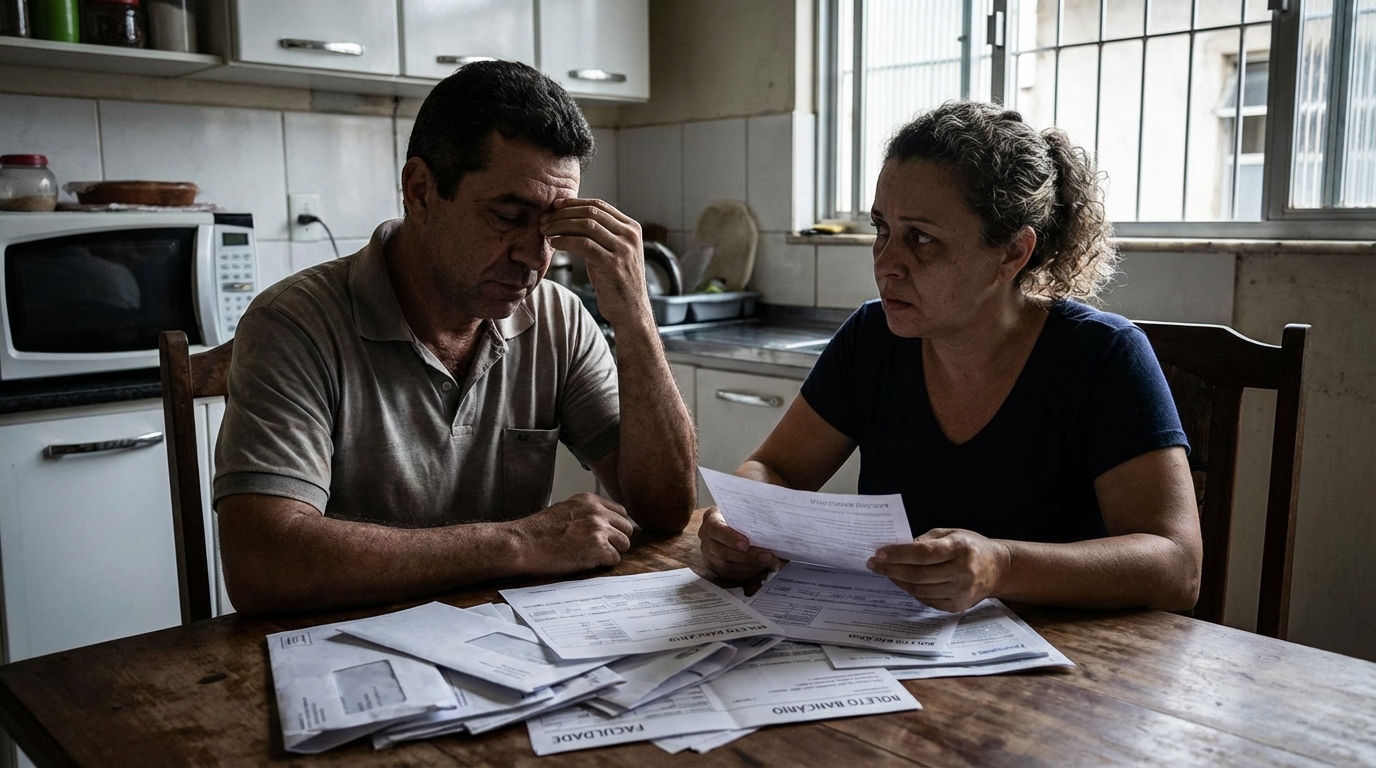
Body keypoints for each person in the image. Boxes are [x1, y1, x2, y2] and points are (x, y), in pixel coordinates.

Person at [214, 61, 696, 615]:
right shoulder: (295, 323)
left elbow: (665, 511)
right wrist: (521, 542)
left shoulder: (559, 319)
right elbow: (261, 563)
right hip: (345, 656)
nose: (534, 260)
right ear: (420, 191)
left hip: (514, 651)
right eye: (509, 215)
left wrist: (634, 316)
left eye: (551, 227)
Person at [699, 101, 1202, 614]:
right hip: (897, 650)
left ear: (1011, 253)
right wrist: (741, 520)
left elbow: (1176, 567)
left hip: (1065, 668)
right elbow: (774, 466)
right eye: (881, 230)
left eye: (921, 238)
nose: (886, 263)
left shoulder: (1104, 356)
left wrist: (1001, 565)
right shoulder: (873, 339)